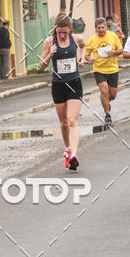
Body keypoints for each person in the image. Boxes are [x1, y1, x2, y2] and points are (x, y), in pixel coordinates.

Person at [39, 12, 86, 171]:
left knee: (72, 120)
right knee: (64, 123)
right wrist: (50, 54)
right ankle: (67, 148)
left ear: (69, 29)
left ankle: (73, 154)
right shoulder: (49, 42)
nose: (63, 35)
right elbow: (42, 65)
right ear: (56, 30)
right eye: (60, 33)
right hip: (58, 85)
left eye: (65, 32)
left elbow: (83, 46)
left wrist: (82, 58)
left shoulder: (76, 38)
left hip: (74, 83)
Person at [85, 17, 123, 126]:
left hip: (112, 69)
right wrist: (89, 59)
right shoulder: (92, 39)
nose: (101, 30)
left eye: (103, 27)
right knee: (104, 89)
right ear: (95, 28)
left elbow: (120, 50)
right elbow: (87, 55)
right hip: (99, 69)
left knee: (112, 95)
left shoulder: (112, 36)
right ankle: (107, 115)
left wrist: (114, 52)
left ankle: (107, 102)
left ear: (106, 27)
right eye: (98, 28)